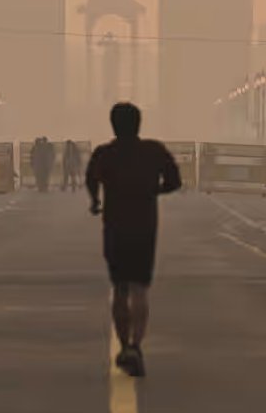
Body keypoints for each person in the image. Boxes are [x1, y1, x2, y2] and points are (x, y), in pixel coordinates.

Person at [86, 103, 182, 378]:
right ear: (138, 124)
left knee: (119, 289)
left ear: (113, 124)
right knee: (140, 288)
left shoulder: (105, 153)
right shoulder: (153, 151)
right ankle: (136, 347)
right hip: (144, 227)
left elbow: (91, 178)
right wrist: (153, 190)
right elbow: (175, 180)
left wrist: (96, 201)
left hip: (115, 227)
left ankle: (124, 344)